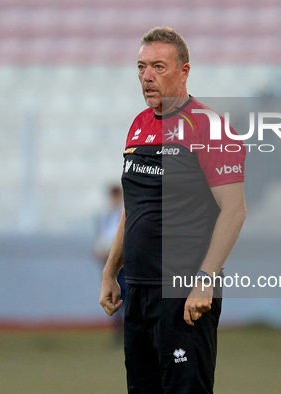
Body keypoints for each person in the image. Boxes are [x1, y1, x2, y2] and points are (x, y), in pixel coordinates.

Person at [99, 26, 247, 394]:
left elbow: (234, 211)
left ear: (184, 71)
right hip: (137, 291)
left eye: (158, 67)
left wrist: (205, 280)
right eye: (141, 67)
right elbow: (133, 208)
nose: (147, 76)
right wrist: (110, 271)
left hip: (183, 293)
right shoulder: (138, 125)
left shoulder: (210, 127)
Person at [93, 184, 126, 345]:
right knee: (113, 297)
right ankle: (117, 333)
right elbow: (100, 238)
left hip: (125, 262)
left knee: (128, 296)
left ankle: (129, 332)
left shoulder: (125, 214)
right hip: (108, 261)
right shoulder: (104, 217)